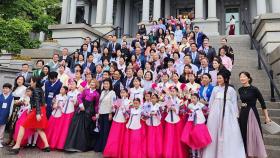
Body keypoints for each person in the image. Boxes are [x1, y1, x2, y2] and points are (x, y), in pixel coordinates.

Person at [202, 69, 246, 158]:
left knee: (228, 133)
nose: (218, 80)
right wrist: (210, 113)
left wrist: (235, 115)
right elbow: (211, 102)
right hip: (215, 114)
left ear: (225, 79)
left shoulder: (231, 90)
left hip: (228, 115)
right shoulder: (215, 89)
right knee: (214, 133)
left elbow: (234, 103)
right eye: (217, 78)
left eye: (220, 78)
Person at [9, 77, 50, 154]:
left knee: (22, 126)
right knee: (39, 128)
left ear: (35, 82)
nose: (30, 83)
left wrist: (38, 113)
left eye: (31, 81)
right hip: (41, 109)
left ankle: (17, 146)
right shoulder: (40, 89)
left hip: (37, 110)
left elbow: (37, 102)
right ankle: (47, 146)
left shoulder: (36, 90)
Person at [238, 72, 269, 158]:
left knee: (253, 133)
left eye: (244, 77)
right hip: (243, 112)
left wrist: (267, 117)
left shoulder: (254, 89)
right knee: (244, 132)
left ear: (248, 78)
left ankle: (254, 153)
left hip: (252, 113)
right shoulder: (240, 89)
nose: (242, 78)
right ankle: (246, 153)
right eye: (240, 77)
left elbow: (263, 103)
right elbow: (243, 102)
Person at [64, 79, 100, 152]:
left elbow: (96, 105)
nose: (92, 83)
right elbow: (79, 97)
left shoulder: (97, 94)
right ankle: (72, 145)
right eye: (91, 82)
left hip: (89, 112)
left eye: (94, 83)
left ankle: (82, 147)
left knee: (86, 129)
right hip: (81, 110)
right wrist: (81, 105)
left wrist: (96, 114)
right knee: (76, 127)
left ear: (96, 85)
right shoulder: (86, 90)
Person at [181, 93, 211, 158]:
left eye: (194, 98)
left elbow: (207, 109)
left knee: (198, 138)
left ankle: (199, 154)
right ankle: (193, 154)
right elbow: (185, 110)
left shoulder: (200, 105)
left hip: (199, 123)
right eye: (192, 98)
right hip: (191, 123)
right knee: (192, 138)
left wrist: (205, 112)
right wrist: (182, 110)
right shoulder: (189, 105)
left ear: (197, 98)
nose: (193, 99)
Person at [103, 89, 131, 157]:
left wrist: (123, 108)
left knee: (122, 137)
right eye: (121, 93)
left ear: (127, 93)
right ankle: (113, 151)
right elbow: (114, 110)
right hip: (116, 119)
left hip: (123, 120)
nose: (122, 94)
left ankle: (121, 152)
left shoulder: (129, 102)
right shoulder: (118, 100)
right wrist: (114, 107)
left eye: (124, 93)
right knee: (114, 136)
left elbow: (128, 114)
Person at [163, 86, 187, 158]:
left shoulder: (180, 101)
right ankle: (169, 154)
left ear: (177, 92)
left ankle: (178, 154)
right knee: (169, 136)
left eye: (174, 91)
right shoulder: (167, 100)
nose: (172, 92)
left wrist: (176, 110)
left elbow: (183, 112)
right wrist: (167, 109)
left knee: (177, 137)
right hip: (169, 119)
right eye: (171, 91)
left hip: (177, 120)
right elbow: (163, 109)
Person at [94, 79, 116, 152]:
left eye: (107, 84)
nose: (106, 85)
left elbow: (113, 104)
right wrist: (98, 113)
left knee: (106, 131)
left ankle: (105, 148)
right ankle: (99, 147)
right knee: (101, 130)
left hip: (107, 114)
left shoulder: (112, 92)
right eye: (104, 84)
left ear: (110, 84)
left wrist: (110, 113)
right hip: (101, 113)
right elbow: (100, 103)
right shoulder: (102, 92)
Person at [5, 76, 27, 146]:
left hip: (18, 106)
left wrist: (18, 102)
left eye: (21, 79)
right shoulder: (15, 87)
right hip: (12, 105)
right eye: (18, 79)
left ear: (23, 81)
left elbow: (23, 97)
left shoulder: (24, 88)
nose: (19, 80)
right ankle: (10, 138)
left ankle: (14, 140)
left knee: (14, 123)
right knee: (11, 122)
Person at [144, 93, 163, 158]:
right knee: (150, 138)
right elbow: (145, 114)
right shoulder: (147, 105)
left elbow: (161, 115)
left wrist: (156, 113)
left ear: (157, 99)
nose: (153, 99)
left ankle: (157, 153)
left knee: (157, 139)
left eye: (154, 98)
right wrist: (149, 113)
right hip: (149, 124)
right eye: (152, 98)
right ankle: (150, 153)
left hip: (156, 124)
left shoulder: (159, 105)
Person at [0, 83, 14, 148]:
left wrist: (10, 115)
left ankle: (0, 141)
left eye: (7, 88)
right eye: (4, 88)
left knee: (2, 128)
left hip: (5, 115)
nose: (5, 89)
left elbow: (11, 107)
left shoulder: (11, 98)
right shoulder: (0, 96)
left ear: (10, 89)